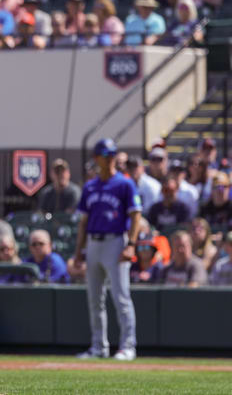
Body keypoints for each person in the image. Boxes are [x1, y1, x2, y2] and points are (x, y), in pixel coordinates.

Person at [74, 138, 141, 361]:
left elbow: (136, 216)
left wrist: (131, 244)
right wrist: (78, 253)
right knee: (95, 298)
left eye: (112, 154)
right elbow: (83, 222)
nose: (109, 158)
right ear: (97, 158)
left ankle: (128, 346)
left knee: (121, 296)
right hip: (94, 242)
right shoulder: (90, 186)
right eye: (105, 154)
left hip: (116, 241)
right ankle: (98, 347)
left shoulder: (124, 183)